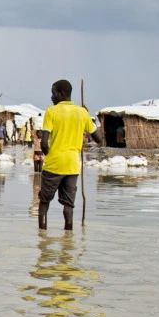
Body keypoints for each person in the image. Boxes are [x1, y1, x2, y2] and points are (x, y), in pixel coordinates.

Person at [39, 79, 104, 231]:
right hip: (72, 166)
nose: (51, 97)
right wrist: (86, 116)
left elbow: (43, 143)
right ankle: (68, 238)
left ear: (61, 94)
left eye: (53, 93)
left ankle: (42, 237)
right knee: (69, 205)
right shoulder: (82, 112)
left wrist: (50, 155)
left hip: (54, 163)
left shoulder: (51, 111)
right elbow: (99, 139)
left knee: (44, 202)